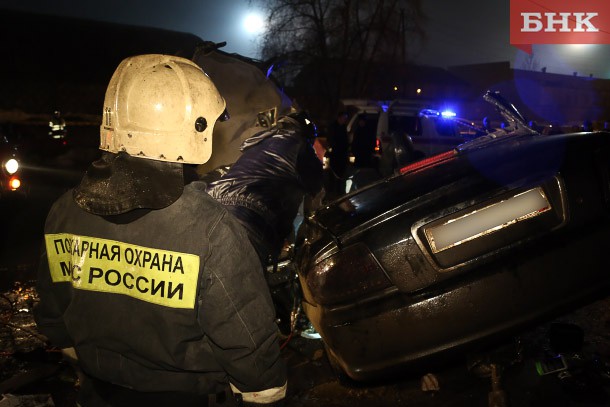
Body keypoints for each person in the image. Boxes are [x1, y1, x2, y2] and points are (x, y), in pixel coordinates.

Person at [34, 54, 286, 407]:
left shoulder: (63, 212)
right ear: (192, 128)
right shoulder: (210, 228)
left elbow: (52, 313)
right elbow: (247, 344)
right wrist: (267, 388)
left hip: (97, 393)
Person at [325, 111, 349, 199]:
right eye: (343, 118)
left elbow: (345, 140)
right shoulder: (333, 127)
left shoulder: (343, 127)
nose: (344, 120)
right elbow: (331, 140)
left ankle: (338, 189)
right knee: (333, 171)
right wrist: (333, 148)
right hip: (335, 153)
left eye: (345, 119)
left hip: (342, 154)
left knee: (341, 172)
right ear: (339, 118)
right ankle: (330, 190)